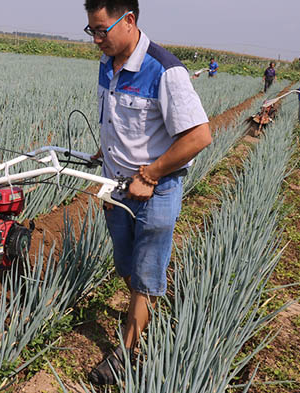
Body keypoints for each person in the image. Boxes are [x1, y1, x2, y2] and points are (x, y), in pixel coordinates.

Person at [84, 0, 212, 385]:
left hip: (154, 191)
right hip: (116, 187)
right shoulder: (109, 64)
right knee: (125, 265)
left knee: (143, 274)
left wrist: (152, 173)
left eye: (102, 29)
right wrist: (105, 152)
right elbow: (120, 119)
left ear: (130, 20)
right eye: (91, 30)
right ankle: (145, 308)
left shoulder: (165, 70)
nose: (96, 39)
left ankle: (127, 353)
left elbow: (200, 135)